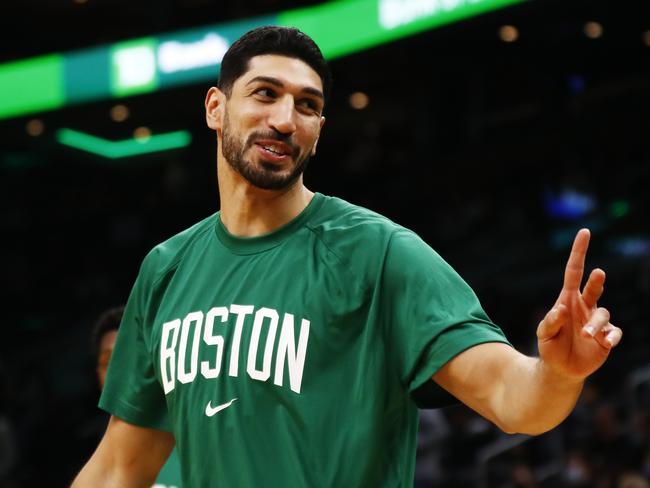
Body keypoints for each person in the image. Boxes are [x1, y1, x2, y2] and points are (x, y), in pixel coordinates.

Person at [72, 25, 622, 487]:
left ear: (320, 129)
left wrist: (557, 375)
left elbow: (512, 398)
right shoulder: (166, 269)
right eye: (265, 93)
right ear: (216, 107)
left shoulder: (378, 253)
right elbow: (120, 466)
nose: (286, 119)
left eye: (307, 105)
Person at [87, 306, 182, 488]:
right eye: (108, 362)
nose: (118, 373)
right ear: (98, 374)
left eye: (127, 359)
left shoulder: (191, 435)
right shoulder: (99, 460)